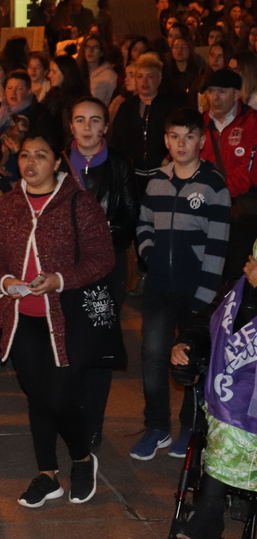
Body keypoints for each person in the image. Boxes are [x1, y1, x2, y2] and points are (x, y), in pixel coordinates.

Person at [0, 126, 114, 508]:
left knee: (57, 396)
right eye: (25, 155)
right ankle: (47, 474)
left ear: (58, 162)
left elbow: (103, 258)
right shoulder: (7, 204)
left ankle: (82, 459)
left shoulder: (79, 203)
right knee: (37, 396)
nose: (31, 162)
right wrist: (6, 281)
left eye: (41, 155)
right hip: (22, 317)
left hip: (66, 318)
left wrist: (60, 279)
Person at [130, 107, 230, 461]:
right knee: (153, 357)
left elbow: (218, 245)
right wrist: (149, 253)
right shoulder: (157, 180)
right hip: (159, 286)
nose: (181, 143)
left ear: (201, 141)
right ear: (166, 141)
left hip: (196, 290)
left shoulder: (214, 185)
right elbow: (143, 222)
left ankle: (191, 425)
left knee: (190, 362)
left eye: (189, 136)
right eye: (175, 136)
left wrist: (205, 297)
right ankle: (157, 426)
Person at [68, 97, 139, 448]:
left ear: (105, 127)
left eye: (95, 120)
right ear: (71, 126)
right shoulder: (56, 163)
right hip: (63, 269)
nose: (87, 127)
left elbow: (129, 219)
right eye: (80, 120)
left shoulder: (119, 165)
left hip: (106, 267)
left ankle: (92, 422)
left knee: (98, 346)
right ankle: (70, 414)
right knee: (66, 342)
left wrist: (96, 239)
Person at [170, 259, 257, 539]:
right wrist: (187, 343)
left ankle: (208, 515)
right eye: (250, 258)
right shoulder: (235, 290)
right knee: (225, 418)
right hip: (229, 395)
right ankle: (208, 514)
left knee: (231, 419)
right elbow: (205, 324)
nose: (248, 265)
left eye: (255, 261)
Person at [199, 69, 257, 280]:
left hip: (237, 215)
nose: (215, 97)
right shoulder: (200, 123)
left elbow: (249, 172)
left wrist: (216, 193)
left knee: (235, 273)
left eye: (222, 91)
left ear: (236, 94)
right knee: (207, 272)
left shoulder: (251, 122)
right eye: (211, 91)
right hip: (205, 212)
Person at [110, 55, 185, 197]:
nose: (144, 81)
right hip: (133, 178)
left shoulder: (171, 107)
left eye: (150, 76)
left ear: (159, 78)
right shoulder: (126, 107)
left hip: (164, 174)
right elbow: (116, 141)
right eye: (140, 76)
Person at [41, 55, 87, 127]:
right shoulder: (54, 93)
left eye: (54, 72)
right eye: (50, 71)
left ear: (65, 73)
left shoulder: (76, 97)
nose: (49, 75)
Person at [0, 70, 44, 134]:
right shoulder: (1, 110)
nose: (13, 93)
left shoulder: (36, 114)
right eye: (9, 88)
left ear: (28, 92)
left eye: (19, 89)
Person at [164, 38, 206, 104]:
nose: (179, 50)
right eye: (176, 47)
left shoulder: (198, 71)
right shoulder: (167, 73)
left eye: (184, 47)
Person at [81, 35, 117, 105]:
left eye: (95, 48)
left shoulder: (109, 75)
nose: (91, 51)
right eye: (88, 47)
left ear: (101, 53)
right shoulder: (78, 72)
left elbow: (111, 102)